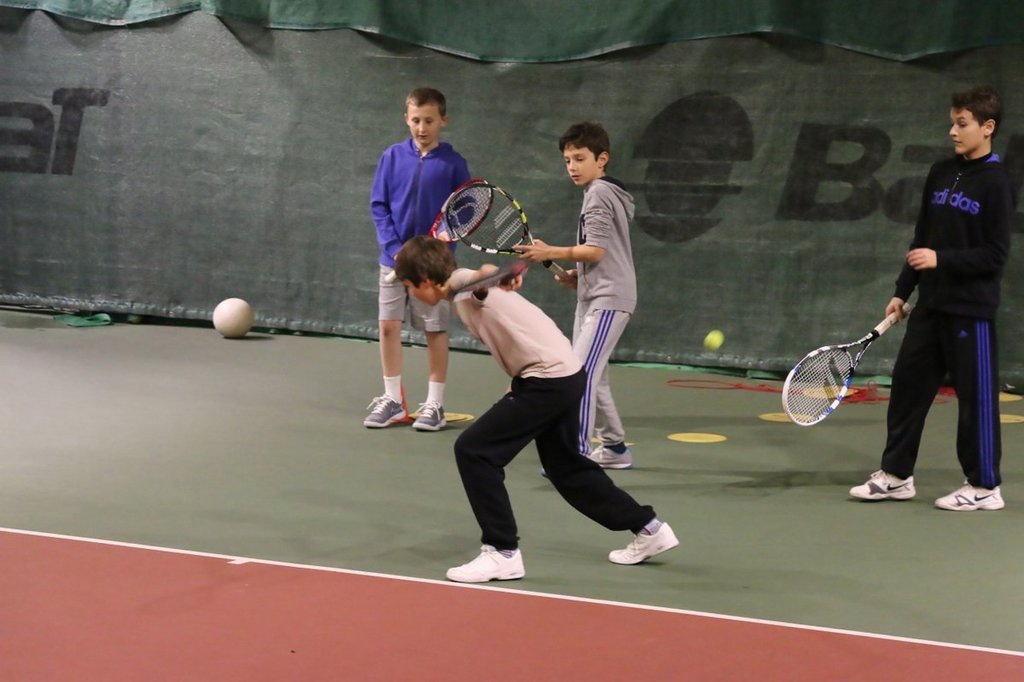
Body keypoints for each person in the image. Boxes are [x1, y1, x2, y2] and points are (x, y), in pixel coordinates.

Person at [393, 235, 678, 582]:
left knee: (474, 450)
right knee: (566, 467)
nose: (410, 293)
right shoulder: (459, 291)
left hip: (548, 379)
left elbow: (479, 277)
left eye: (409, 286)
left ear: (425, 281)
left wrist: (493, 276)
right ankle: (649, 528)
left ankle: (502, 551)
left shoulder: (464, 286)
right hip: (563, 374)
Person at [850, 85, 1014, 511]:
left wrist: (942, 259)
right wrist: (902, 291)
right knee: (907, 388)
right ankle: (896, 476)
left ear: (987, 127)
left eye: (962, 124)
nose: (953, 132)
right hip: (930, 307)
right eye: (952, 123)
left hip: (970, 311)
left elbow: (995, 255)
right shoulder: (941, 172)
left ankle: (984, 487)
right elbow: (922, 238)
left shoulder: (997, 183)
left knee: (976, 401)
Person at [515, 121, 637, 469]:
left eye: (580, 158)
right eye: (568, 160)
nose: (572, 166)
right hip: (594, 294)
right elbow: (600, 252)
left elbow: (595, 249)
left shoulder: (599, 192)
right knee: (594, 375)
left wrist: (550, 251)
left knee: (579, 373)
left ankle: (573, 454)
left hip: (610, 298)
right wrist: (580, 277)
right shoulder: (600, 192)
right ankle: (614, 448)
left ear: (602, 159)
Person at [366, 87, 470, 431]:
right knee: (387, 326)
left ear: (443, 121)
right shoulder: (391, 157)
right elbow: (379, 206)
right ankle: (393, 400)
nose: (422, 128)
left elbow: (464, 212)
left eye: (429, 120)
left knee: (435, 330)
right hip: (393, 259)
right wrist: (396, 249)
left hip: (434, 266)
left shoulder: (454, 164)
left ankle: (435, 405)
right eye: (415, 120)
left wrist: (438, 249)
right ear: (406, 119)